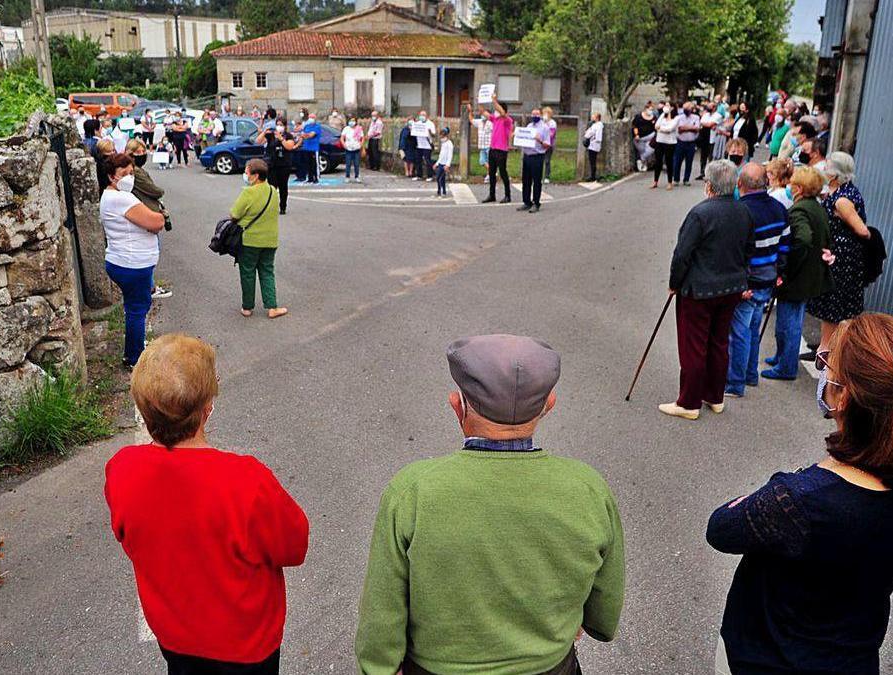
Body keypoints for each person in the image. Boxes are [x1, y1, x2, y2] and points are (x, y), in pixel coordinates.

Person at [355, 334, 625, 675]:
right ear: (549, 404)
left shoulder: (413, 490)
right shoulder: (588, 489)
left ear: (459, 405)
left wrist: (378, 667)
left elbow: (382, 613)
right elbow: (604, 617)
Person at [708, 313, 893, 675]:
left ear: (845, 396)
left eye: (826, 363)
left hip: (765, 658)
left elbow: (721, 527)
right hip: (853, 658)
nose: (822, 372)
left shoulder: (799, 501)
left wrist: (801, 479)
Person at [106, 333, 308, 675]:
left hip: (176, 638)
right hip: (247, 646)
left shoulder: (122, 470)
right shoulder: (246, 481)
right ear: (207, 409)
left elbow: (130, 536)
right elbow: (294, 545)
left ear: (142, 411)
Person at [660, 160, 753, 420]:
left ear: (709, 186)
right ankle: (714, 396)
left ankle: (689, 402)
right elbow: (749, 250)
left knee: (694, 346)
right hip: (732, 287)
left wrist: (674, 283)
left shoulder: (700, 213)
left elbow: (682, 254)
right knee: (719, 342)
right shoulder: (744, 212)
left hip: (699, 291)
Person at [762, 167, 834, 381]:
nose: (790, 186)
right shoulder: (817, 208)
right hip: (811, 275)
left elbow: (802, 239)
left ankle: (786, 367)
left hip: (798, 276)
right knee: (793, 317)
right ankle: (781, 356)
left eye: (793, 183)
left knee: (788, 321)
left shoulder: (799, 211)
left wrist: (788, 268)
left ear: (799, 188)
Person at [725, 164, 789, 398]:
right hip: (768, 279)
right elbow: (785, 245)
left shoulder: (740, 211)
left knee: (739, 332)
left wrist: (740, 284)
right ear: (766, 183)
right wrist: (779, 272)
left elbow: (737, 253)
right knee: (752, 328)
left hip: (748, 284)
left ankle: (735, 383)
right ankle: (751, 374)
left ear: (740, 184)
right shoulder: (779, 208)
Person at [101, 153, 166, 367]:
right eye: (124, 174)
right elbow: (155, 222)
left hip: (123, 260)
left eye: (131, 173)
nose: (129, 177)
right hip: (132, 263)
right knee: (137, 309)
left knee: (134, 307)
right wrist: (162, 216)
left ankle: (135, 349)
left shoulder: (110, 196)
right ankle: (135, 357)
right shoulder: (122, 198)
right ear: (112, 176)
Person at [806, 152, 871, 359]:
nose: (823, 170)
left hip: (841, 260)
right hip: (838, 257)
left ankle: (826, 352)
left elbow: (863, 231)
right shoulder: (840, 191)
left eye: (827, 168)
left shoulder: (842, 200)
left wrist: (841, 234)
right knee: (834, 308)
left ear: (834, 175)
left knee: (834, 307)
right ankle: (827, 349)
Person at [232, 159, 287, 319]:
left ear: (255, 176)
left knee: (248, 272)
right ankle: (272, 307)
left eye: (247, 172)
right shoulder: (272, 191)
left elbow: (235, 214)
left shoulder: (248, 193)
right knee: (267, 271)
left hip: (250, 240)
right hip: (270, 240)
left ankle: (247, 307)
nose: (246, 175)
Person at [126, 139, 173, 300]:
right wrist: (160, 191)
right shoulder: (136, 172)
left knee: (150, 250)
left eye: (143, 151)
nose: (142, 155)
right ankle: (149, 288)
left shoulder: (134, 169)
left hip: (144, 210)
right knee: (151, 251)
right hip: (145, 211)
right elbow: (154, 190)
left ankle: (149, 286)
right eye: (138, 152)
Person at [257, 119, 301, 215]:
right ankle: (271, 206)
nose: (279, 126)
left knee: (283, 187)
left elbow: (289, 146)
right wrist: (264, 132)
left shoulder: (288, 136)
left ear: (285, 126)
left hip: (284, 165)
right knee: (272, 187)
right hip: (272, 165)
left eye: (281, 125)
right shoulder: (271, 135)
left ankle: (283, 207)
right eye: (277, 124)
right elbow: (259, 141)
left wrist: (281, 139)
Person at [517, 107, 551, 213]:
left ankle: (536, 202)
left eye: (536, 114)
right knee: (526, 180)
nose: (534, 116)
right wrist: (517, 136)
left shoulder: (545, 128)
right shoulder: (529, 126)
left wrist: (540, 140)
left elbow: (547, 145)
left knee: (536, 181)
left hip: (537, 156)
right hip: (527, 155)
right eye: (533, 114)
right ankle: (526, 202)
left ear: (540, 115)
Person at [483, 97, 514, 203]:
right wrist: (480, 101)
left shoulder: (507, 120)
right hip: (493, 149)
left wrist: (494, 101)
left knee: (503, 172)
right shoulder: (495, 119)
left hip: (502, 150)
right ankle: (492, 195)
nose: (496, 112)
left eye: (498, 110)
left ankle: (508, 195)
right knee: (491, 173)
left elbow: (501, 111)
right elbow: (483, 113)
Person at [674, 102, 701, 186]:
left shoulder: (696, 117)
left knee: (689, 162)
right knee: (677, 162)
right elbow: (680, 129)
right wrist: (691, 128)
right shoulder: (679, 118)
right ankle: (676, 179)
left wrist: (686, 128)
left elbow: (697, 129)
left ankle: (686, 179)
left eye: (688, 108)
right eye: (685, 108)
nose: (687, 110)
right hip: (681, 142)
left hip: (691, 143)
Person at [652, 103, 679, 190]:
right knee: (658, 162)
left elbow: (670, 129)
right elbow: (656, 126)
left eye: (668, 106)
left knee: (669, 162)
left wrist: (661, 128)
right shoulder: (662, 116)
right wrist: (662, 128)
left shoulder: (677, 118)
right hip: (660, 141)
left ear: (672, 107)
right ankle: (655, 181)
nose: (665, 107)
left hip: (670, 142)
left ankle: (670, 182)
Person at [466, 103, 492, 183]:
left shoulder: (491, 123)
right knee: (482, 161)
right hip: (482, 146)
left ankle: (489, 175)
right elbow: (471, 120)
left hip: (489, 146)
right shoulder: (480, 122)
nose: (483, 115)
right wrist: (470, 111)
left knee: (489, 161)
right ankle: (492, 172)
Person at [697, 102, 722, 179]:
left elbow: (710, 124)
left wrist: (706, 124)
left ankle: (710, 174)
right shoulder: (706, 114)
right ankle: (702, 172)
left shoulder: (718, 116)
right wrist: (707, 124)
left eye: (710, 107)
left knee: (710, 156)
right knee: (703, 156)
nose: (708, 108)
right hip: (704, 137)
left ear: (714, 108)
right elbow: (701, 123)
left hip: (712, 138)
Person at [632, 104, 656, 172]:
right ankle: (643, 163)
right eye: (650, 109)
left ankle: (641, 160)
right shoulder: (638, 117)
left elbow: (655, 126)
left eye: (652, 110)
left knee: (650, 150)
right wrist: (636, 134)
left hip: (650, 136)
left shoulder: (653, 117)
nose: (651, 111)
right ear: (646, 109)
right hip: (640, 138)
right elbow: (635, 126)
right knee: (642, 150)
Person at [413, 110, 436, 181]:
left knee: (428, 160)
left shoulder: (430, 124)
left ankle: (430, 176)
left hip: (427, 146)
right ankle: (419, 175)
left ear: (427, 116)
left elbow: (434, 134)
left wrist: (430, 132)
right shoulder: (417, 123)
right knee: (418, 160)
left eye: (423, 115)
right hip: (419, 145)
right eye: (421, 115)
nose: (422, 116)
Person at [341, 116, 365, 183]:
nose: (351, 122)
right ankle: (347, 176)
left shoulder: (359, 129)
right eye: (350, 120)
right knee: (348, 163)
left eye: (353, 121)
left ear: (355, 122)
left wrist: (361, 145)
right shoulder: (346, 128)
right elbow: (342, 138)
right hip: (348, 148)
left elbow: (362, 138)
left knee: (356, 163)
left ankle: (357, 176)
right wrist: (344, 144)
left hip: (356, 149)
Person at [301, 113, 323, 184]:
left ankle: (316, 178)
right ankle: (310, 178)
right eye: (310, 117)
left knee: (315, 164)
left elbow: (311, 135)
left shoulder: (317, 126)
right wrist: (305, 135)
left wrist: (306, 135)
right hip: (306, 147)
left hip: (314, 148)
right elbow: (302, 134)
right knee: (308, 164)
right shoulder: (307, 126)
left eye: (312, 117)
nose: (311, 119)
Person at [433, 126, 453, 198]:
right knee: (439, 178)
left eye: (442, 135)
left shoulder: (449, 144)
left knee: (440, 178)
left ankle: (442, 192)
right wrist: (437, 163)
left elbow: (450, 155)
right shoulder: (443, 143)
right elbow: (441, 155)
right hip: (441, 163)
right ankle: (440, 191)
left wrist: (447, 165)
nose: (441, 137)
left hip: (445, 164)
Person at [583, 111, 604, 182]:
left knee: (592, 161)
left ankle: (593, 176)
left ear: (596, 118)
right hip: (595, 145)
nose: (592, 117)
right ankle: (593, 175)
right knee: (593, 160)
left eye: (593, 116)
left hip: (593, 145)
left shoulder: (596, 126)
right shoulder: (598, 125)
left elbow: (589, 134)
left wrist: (587, 134)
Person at [541, 106, 558, 183]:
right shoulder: (541, 122)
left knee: (547, 160)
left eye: (547, 113)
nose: (545, 115)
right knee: (540, 160)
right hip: (541, 144)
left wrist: (546, 124)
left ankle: (547, 176)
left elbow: (552, 134)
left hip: (549, 144)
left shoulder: (552, 123)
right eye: (544, 113)